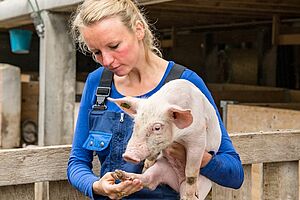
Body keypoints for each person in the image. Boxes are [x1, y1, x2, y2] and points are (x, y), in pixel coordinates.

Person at [67, 0, 244, 199]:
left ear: (139, 30)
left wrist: (191, 155)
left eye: (114, 46)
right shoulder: (98, 84)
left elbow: (235, 174)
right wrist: (97, 186)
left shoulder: (185, 85)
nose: (107, 61)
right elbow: (77, 163)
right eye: (96, 52)